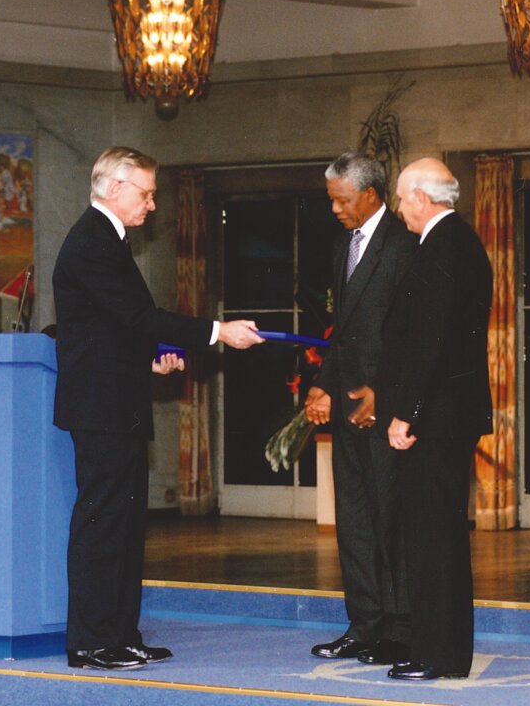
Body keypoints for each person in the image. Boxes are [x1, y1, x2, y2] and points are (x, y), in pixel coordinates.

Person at [52, 146, 264, 671]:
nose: (151, 205)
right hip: (100, 409)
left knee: (124, 525)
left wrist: (146, 363)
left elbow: (111, 327)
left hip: (115, 400)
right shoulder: (90, 243)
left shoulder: (108, 240)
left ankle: (120, 634)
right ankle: (92, 642)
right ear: (115, 188)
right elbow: (138, 316)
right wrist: (217, 331)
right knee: (103, 523)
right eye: (146, 194)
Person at [375, 158, 493, 681]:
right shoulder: (453, 243)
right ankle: (431, 646)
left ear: (422, 198)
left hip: (436, 418)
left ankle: (439, 654)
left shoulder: (447, 246)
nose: (400, 210)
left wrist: (407, 414)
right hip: (441, 414)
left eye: (402, 200)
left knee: (434, 536)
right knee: (429, 534)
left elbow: (433, 343)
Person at [304, 152, 417, 666]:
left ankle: (400, 628)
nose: (335, 209)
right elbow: (343, 330)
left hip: (384, 410)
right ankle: (364, 625)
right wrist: (323, 386)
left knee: (393, 520)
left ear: (370, 195)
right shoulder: (342, 245)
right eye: (331, 199)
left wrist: (385, 394)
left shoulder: (405, 246)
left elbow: (410, 335)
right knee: (353, 520)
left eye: (341, 199)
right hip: (347, 407)